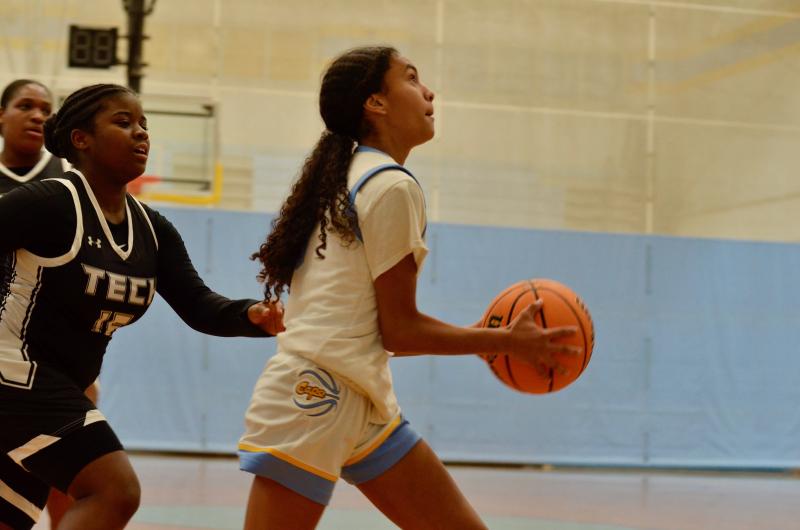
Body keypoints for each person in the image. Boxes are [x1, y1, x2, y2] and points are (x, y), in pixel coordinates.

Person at [238, 46, 579, 529]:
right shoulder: (391, 186)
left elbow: (381, 332)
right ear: (375, 102)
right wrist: (503, 340)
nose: (429, 92)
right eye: (412, 78)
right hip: (315, 394)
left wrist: (491, 338)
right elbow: (400, 330)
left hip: (362, 396)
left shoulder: (351, 177)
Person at [0, 83, 284, 530]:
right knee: (114, 490)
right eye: (123, 122)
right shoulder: (50, 203)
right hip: (15, 375)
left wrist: (251, 315)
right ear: (81, 139)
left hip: (59, 386)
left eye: (144, 124)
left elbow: (198, 304)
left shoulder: (153, 229)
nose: (141, 133)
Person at [0, 78, 103, 529]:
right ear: (1, 116)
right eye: (25, 105)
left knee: (74, 470)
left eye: (46, 108)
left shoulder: (70, 176)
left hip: (52, 349)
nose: (37, 115)